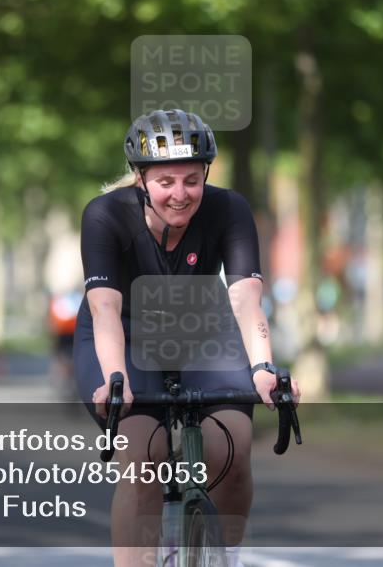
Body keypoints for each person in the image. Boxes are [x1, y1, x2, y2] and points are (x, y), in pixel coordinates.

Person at [74, 109, 301, 567]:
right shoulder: (104, 216)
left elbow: (245, 300)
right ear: (140, 179)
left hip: (204, 332)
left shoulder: (229, 208)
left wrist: (262, 368)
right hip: (126, 335)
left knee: (231, 449)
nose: (180, 194)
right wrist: (116, 377)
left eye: (192, 180)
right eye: (166, 182)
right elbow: (104, 308)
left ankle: (227, 557)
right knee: (142, 457)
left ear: (206, 176)